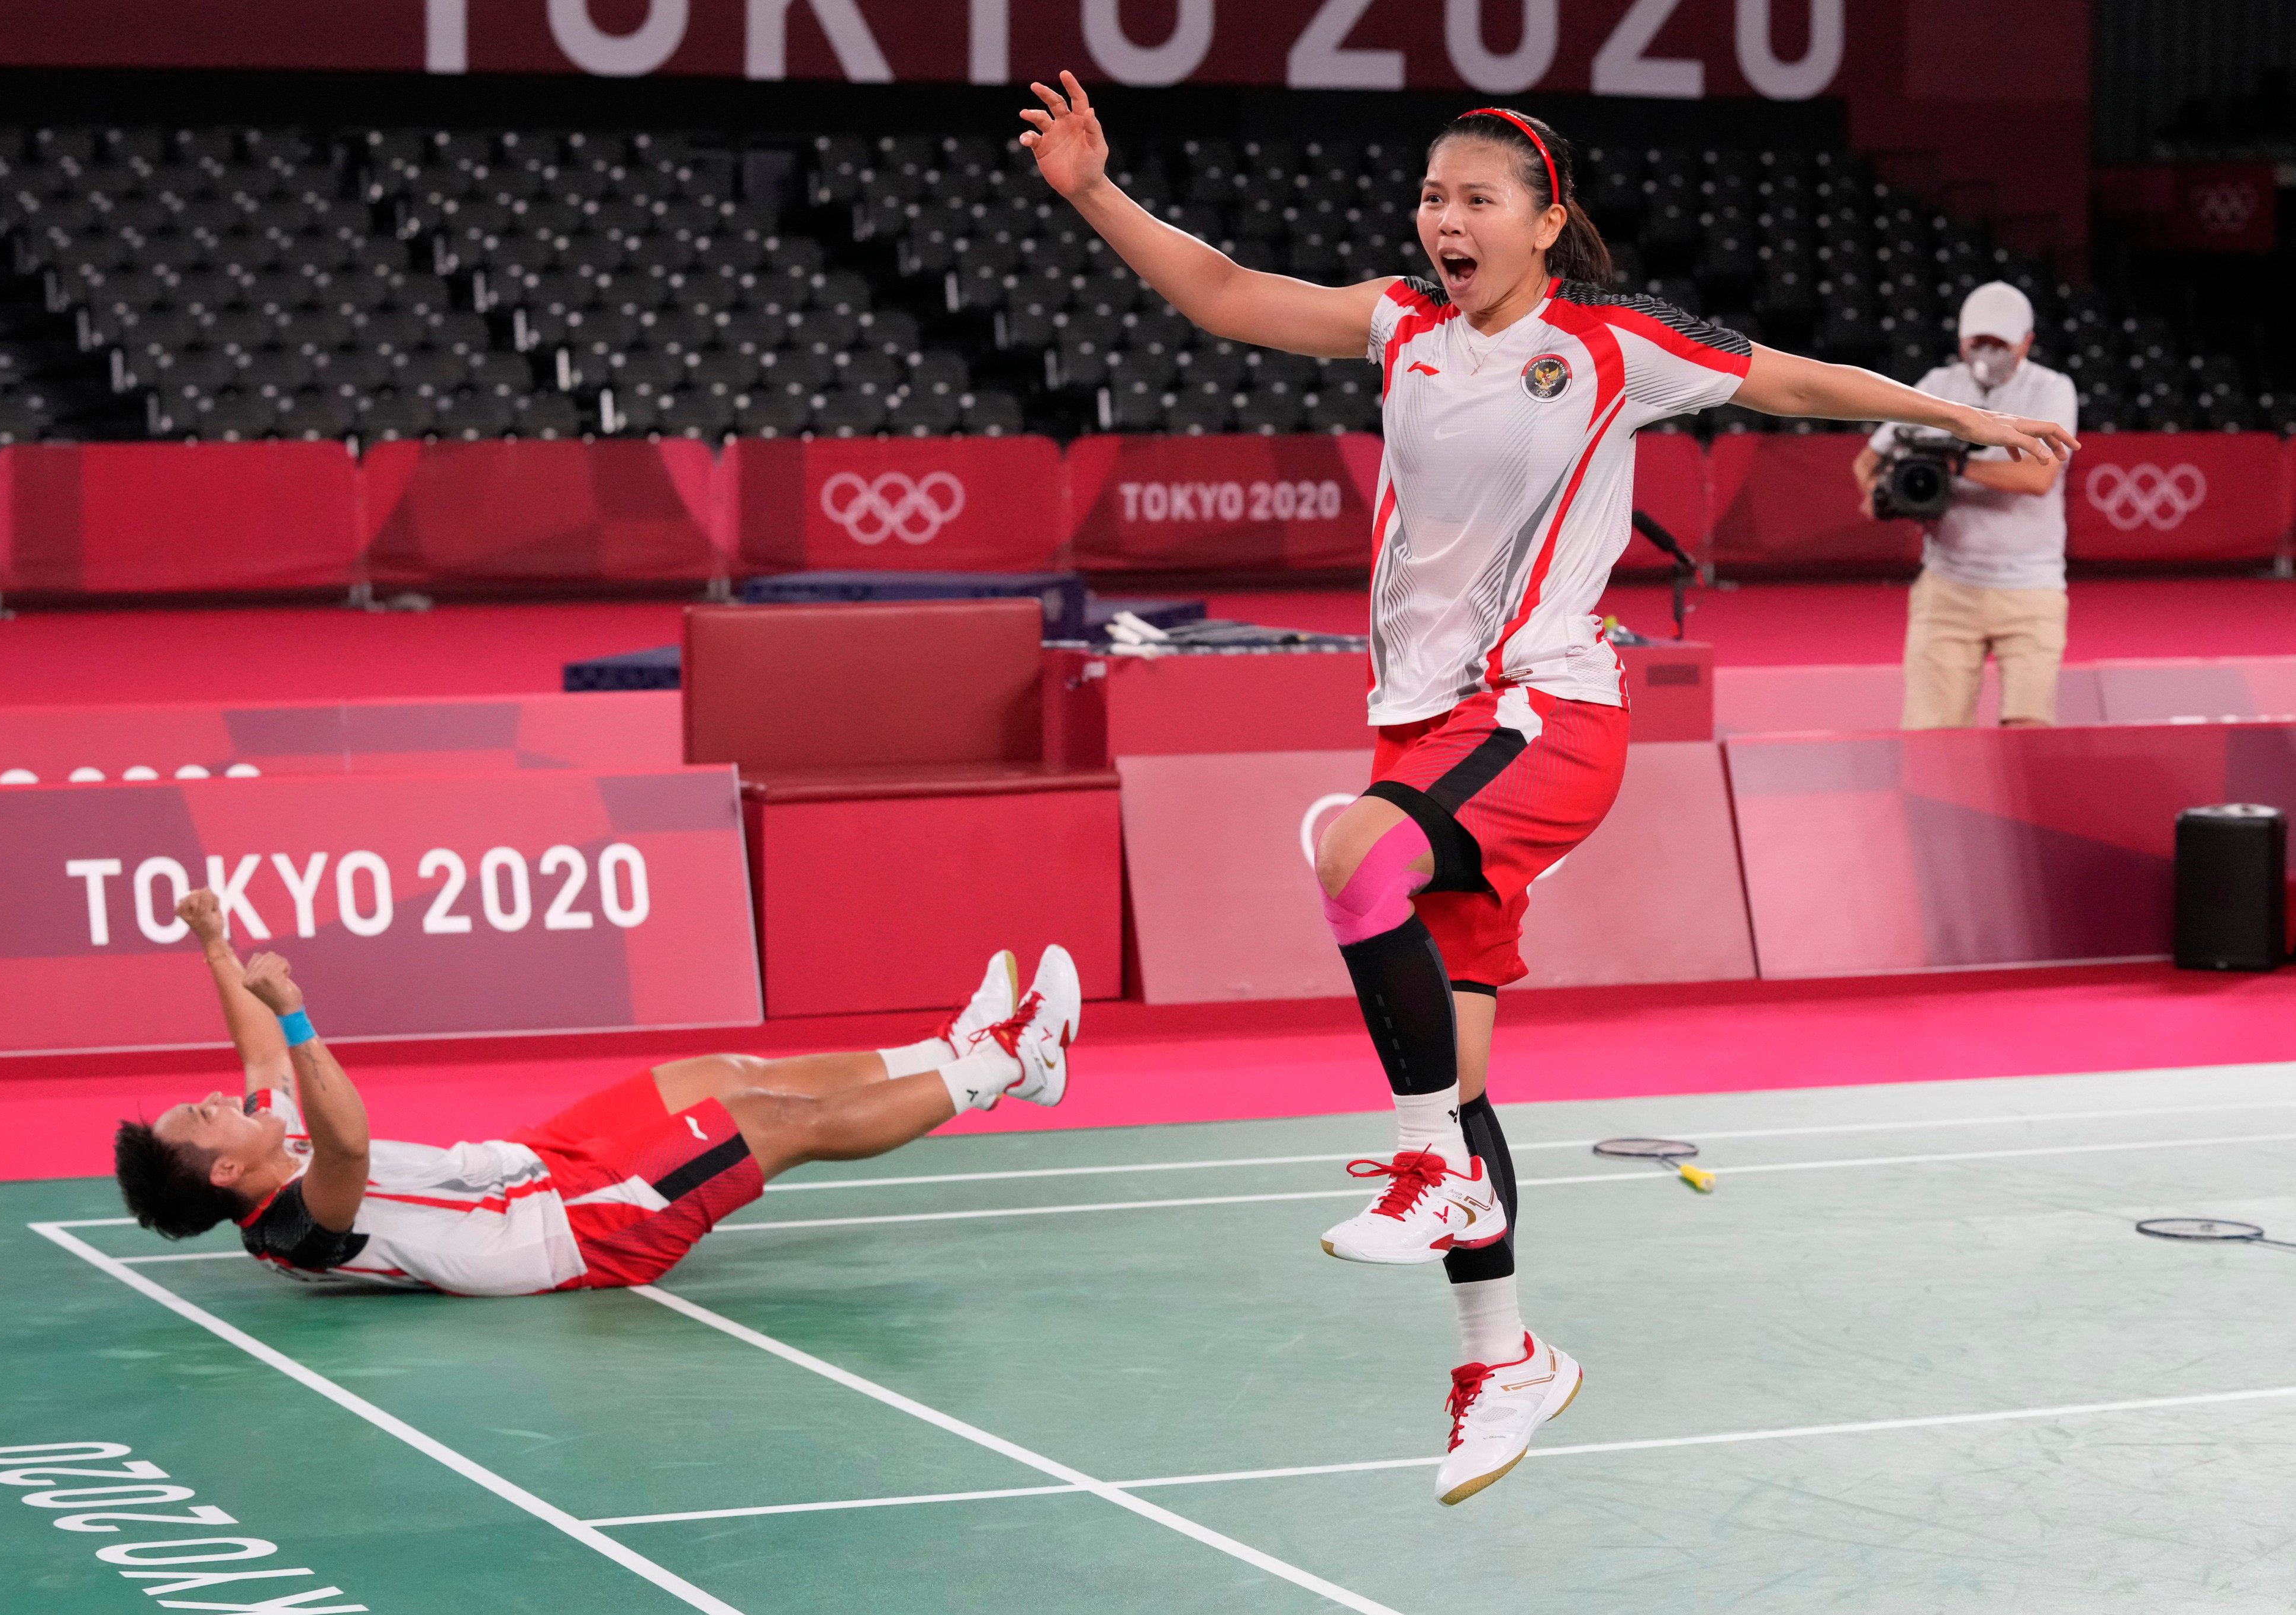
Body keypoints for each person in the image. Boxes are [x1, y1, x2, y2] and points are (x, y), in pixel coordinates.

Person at [1020, 77, 2076, 1506]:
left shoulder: (1608, 341)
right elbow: (1220, 291)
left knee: (1350, 857)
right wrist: (1090, 189)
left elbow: (1798, 380)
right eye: (1433, 199)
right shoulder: (1401, 323)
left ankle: (1423, 1164)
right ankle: (1501, 1353)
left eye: (1476, 202)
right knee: (1458, 1070)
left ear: (1545, 223)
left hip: (1548, 711)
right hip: (1422, 727)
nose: (1445, 221)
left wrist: (1959, 429)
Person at [113, 890, 1078, 1294]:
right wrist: (295, 1009)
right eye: (204, 1115)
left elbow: (266, 1072)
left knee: (728, 1074)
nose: (220, 1096)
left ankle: (944, 1048)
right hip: (573, 1228)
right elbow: (350, 1141)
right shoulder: (296, 1220)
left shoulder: (259, 1151)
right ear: (229, 1168)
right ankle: (1011, 1064)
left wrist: (214, 946)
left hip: (528, 1163)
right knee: (783, 1126)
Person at [1850, 280, 2082, 729]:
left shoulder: (2052, 390)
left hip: (2031, 590)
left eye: (2000, 345)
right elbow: (1867, 460)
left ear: (2026, 343)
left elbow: (2038, 477)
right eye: (1979, 343)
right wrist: (1878, 494)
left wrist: (1953, 466)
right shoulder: (1937, 386)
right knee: (1931, 737)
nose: (1987, 354)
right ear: (1960, 340)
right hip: (1946, 589)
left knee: (2029, 737)